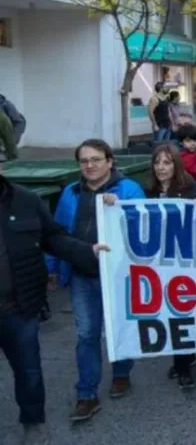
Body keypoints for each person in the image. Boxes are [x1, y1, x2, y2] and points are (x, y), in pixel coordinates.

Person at [0, 160, 108, 443]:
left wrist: (87, 251)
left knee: (29, 371)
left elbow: (55, 238)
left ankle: (34, 423)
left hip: (18, 307)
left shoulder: (25, 200)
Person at [47, 140, 145, 422]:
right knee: (87, 334)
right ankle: (86, 393)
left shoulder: (128, 189)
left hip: (118, 277)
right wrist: (52, 267)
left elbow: (144, 228)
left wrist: (122, 208)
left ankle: (122, 373)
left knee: (118, 327)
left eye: (96, 159)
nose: (89, 166)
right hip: (83, 275)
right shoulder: (70, 192)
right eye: (84, 161)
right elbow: (57, 234)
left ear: (110, 161)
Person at [142, 144, 196, 389]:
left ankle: (183, 366)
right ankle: (183, 357)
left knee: (183, 311)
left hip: (183, 261)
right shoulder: (146, 190)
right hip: (158, 262)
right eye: (157, 162)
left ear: (176, 165)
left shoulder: (188, 187)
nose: (161, 167)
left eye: (167, 162)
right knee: (169, 312)